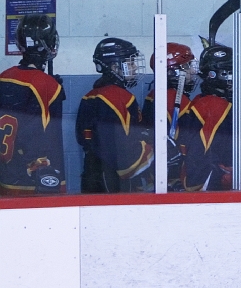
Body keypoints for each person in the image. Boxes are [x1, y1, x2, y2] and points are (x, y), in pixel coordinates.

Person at [178, 44, 241, 191]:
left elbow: (220, 144)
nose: (239, 78)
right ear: (217, 75)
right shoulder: (214, 106)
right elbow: (195, 165)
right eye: (233, 72)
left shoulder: (210, 101)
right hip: (210, 195)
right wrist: (226, 178)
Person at [75, 37, 153, 193]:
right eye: (130, 63)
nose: (135, 67)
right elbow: (124, 149)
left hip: (91, 175)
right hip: (114, 180)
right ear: (115, 67)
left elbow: (83, 138)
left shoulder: (89, 96)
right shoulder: (120, 98)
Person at [0, 14, 66, 195]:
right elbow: (47, 139)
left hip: (5, 177)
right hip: (34, 181)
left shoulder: (4, 76)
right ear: (47, 44)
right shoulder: (48, 86)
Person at [142, 42, 197, 189]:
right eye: (187, 66)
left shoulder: (153, 95)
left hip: (154, 173)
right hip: (174, 175)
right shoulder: (176, 99)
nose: (192, 71)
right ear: (172, 72)